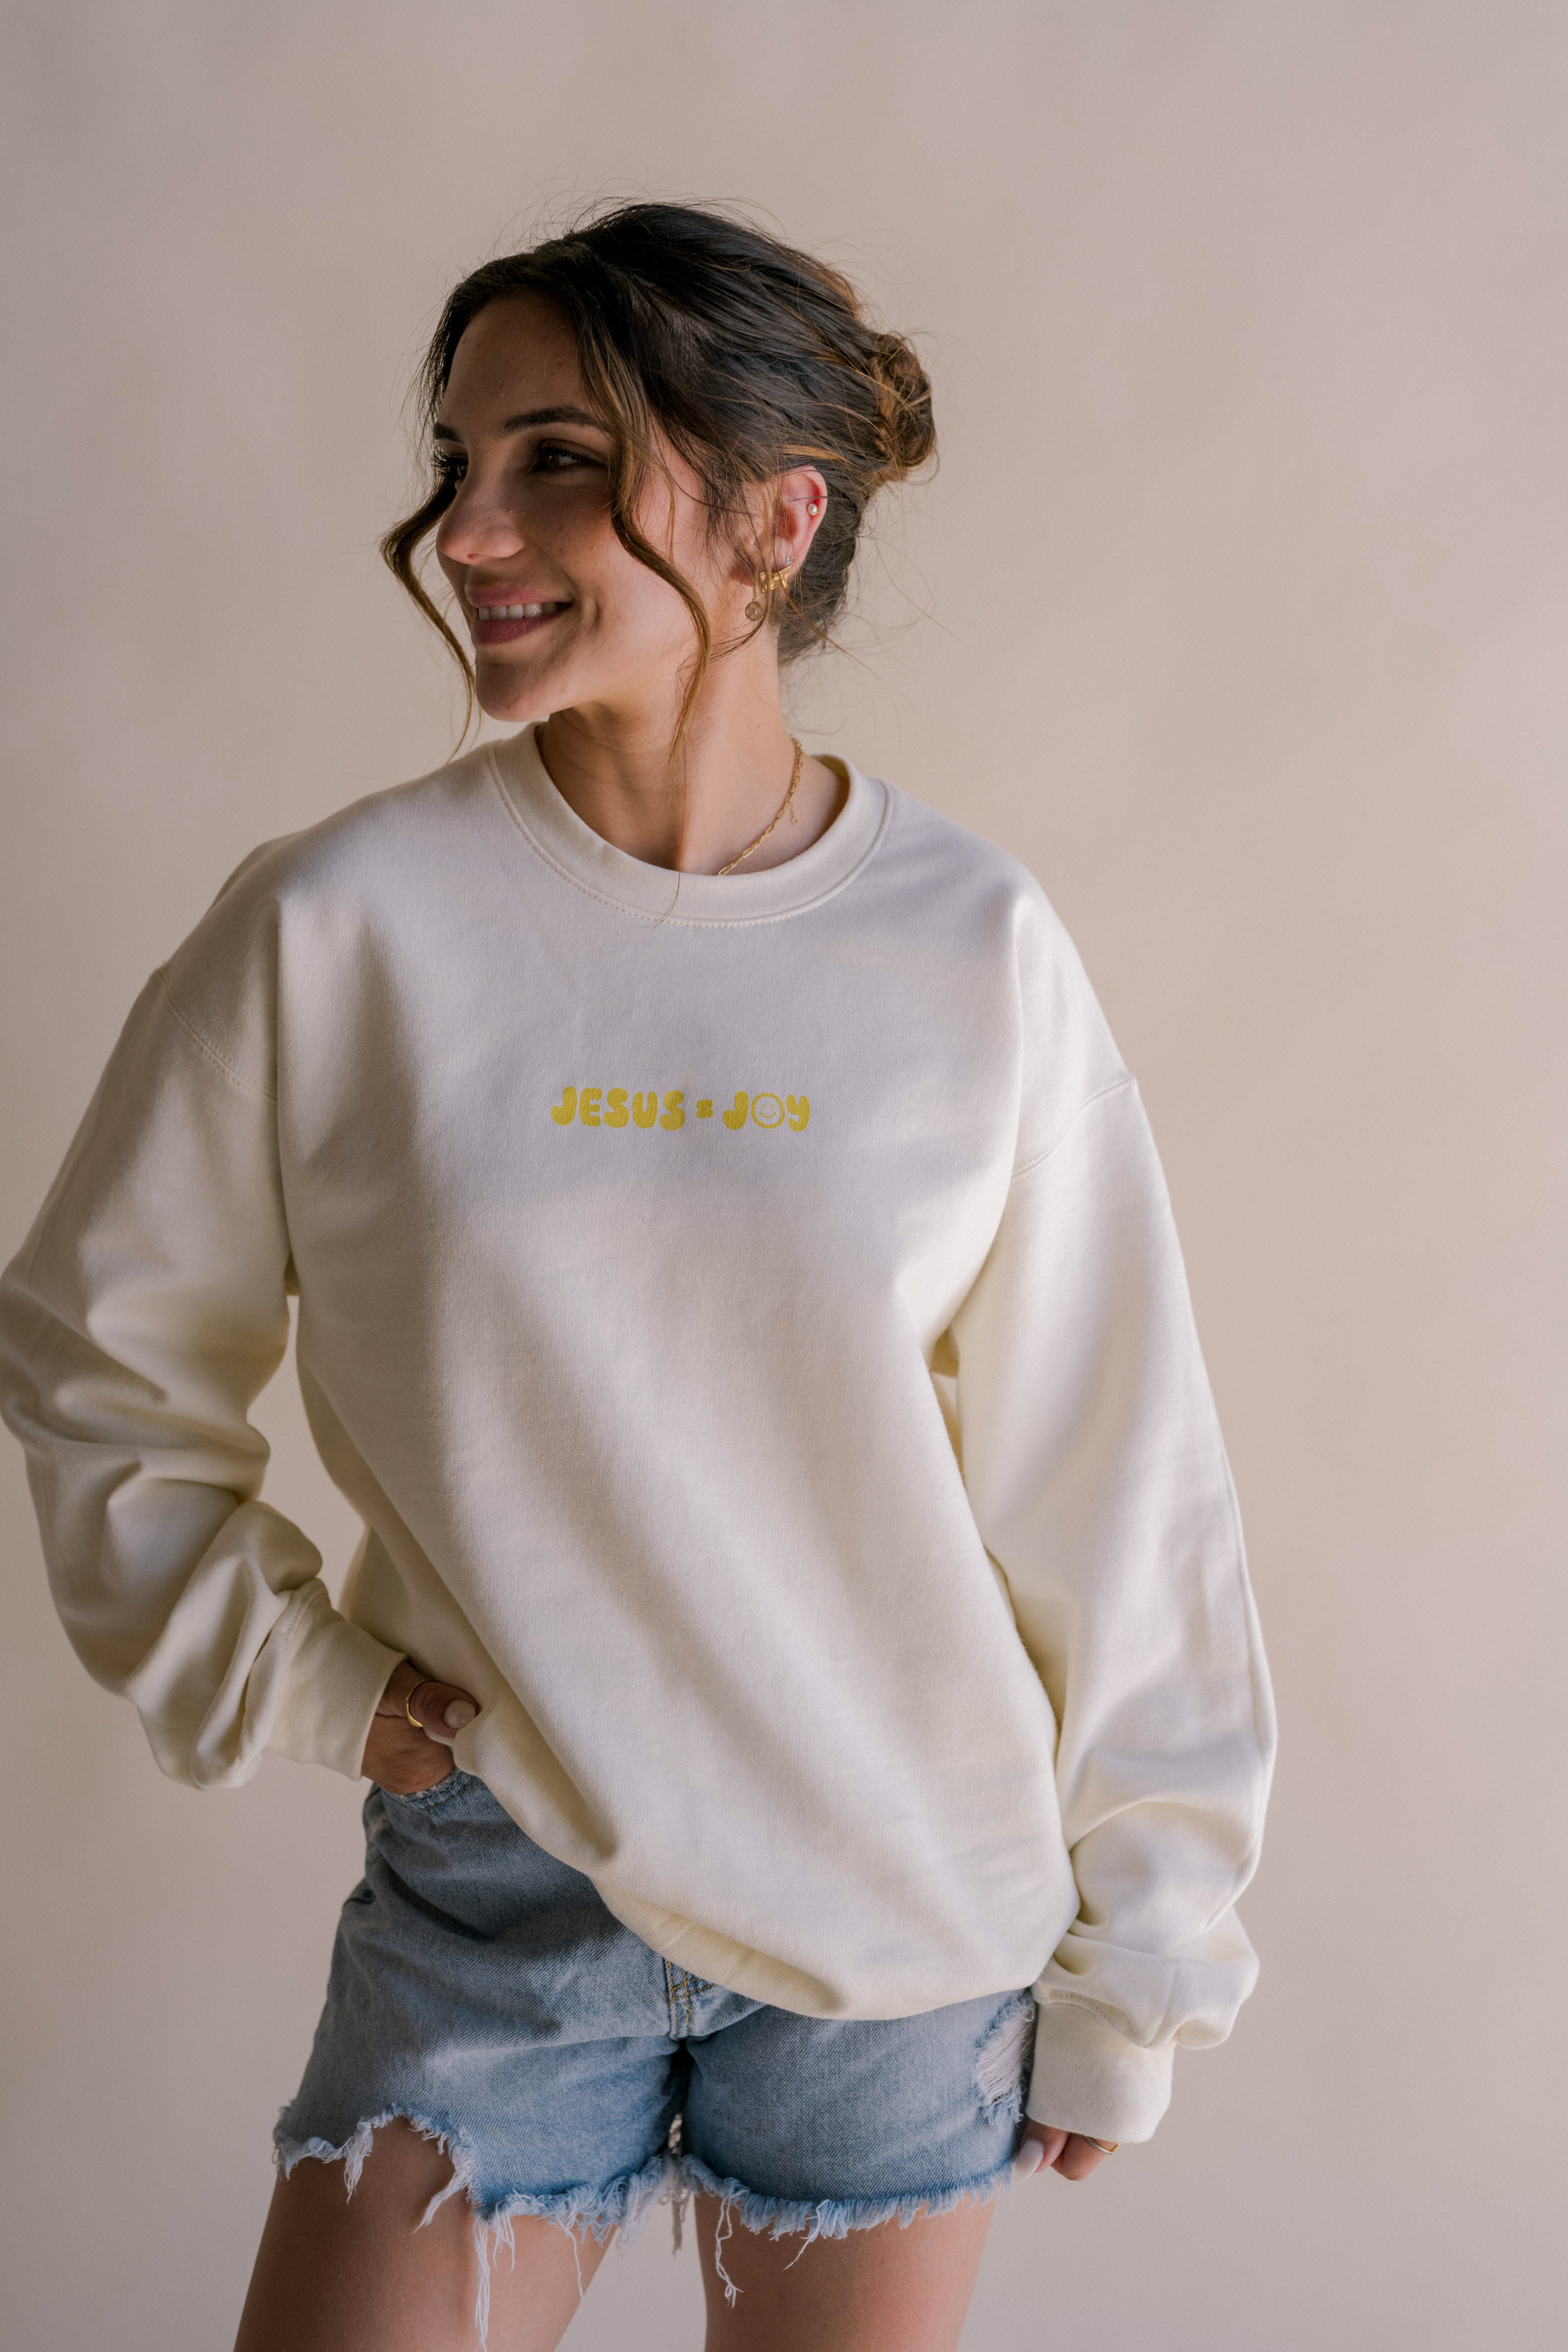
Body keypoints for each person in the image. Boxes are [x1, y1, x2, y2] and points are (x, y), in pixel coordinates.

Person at [0, 204, 1274, 2352]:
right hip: (498, 1896)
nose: (466, 529)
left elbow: (1116, 1475)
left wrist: (1147, 1952)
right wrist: (300, 1678)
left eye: (560, 461)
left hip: (900, 1915)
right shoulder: (341, 925)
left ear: (776, 520)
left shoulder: (969, 946)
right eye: (457, 460)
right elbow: (90, 1357)